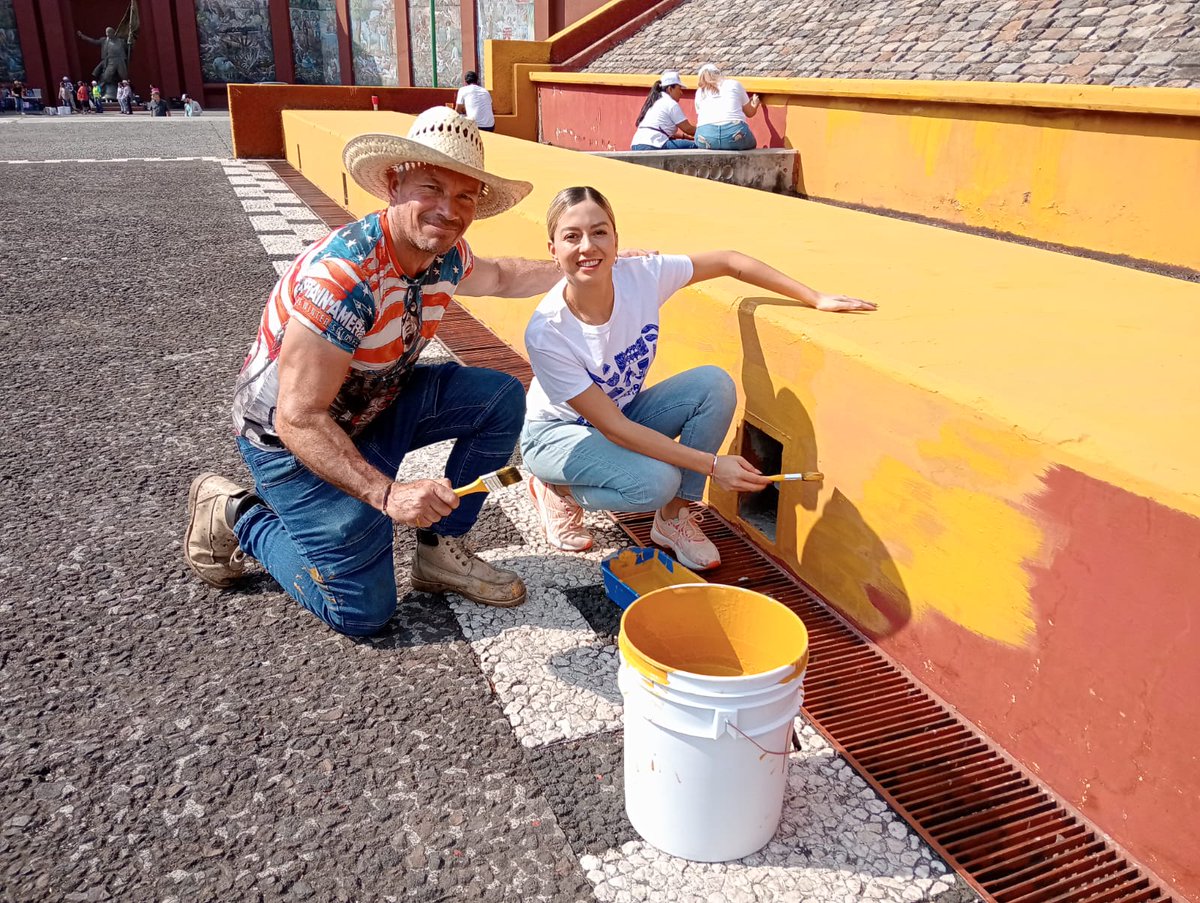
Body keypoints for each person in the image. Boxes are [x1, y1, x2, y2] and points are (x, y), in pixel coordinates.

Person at [185, 108, 574, 637]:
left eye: (465, 196)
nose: (449, 209)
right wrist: (387, 494)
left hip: (372, 404)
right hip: (290, 439)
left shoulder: (446, 255)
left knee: (499, 397)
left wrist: (575, 266)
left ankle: (440, 553)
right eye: (431, 188)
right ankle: (236, 513)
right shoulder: (345, 279)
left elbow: (503, 275)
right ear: (394, 184)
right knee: (361, 610)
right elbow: (298, 417)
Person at [521, 186, 876, 566]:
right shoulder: (548, 331)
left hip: (617, 414)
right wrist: (711, 465)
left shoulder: (641, 276)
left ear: (616, 239)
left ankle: (674, 517)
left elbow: (729, 261)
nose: (588, 246)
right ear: (553, 250)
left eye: (599, 232)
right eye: (572, 236)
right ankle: (558, 490)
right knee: (655, 482)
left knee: (713, 385)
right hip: (557, 436)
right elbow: (615, 430)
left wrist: (814, 296)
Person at [693, 63, 760, 151]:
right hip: (734, 132)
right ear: (718, 73)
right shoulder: (734, 84)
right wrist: (755, 105)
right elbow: (750, 113)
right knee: (751, 143)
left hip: (706, 136)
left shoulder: (699, 92)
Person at [630, 70, 696, 151]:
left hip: (637, 143)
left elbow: (658, 129)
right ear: (670, 89)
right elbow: (688, 129)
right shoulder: (671, 104)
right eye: (679, 89)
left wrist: (683, 137)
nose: (681, 92)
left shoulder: (656, 101)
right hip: (653, 144)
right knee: (695, 146)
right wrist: (705, 133)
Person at [77, 26, 130, 99]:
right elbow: (94, 41)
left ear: (113, 33)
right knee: (106, 77)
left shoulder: (121, 41)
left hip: (120, 60)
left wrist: (130, 42)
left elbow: (129, 48)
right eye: (106, 33)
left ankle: (128, 95)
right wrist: (82, 36)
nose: (107, 34)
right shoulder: (104, 40)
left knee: (124, 77)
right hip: (111, 61)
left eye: (109, 33)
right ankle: (101, 92)